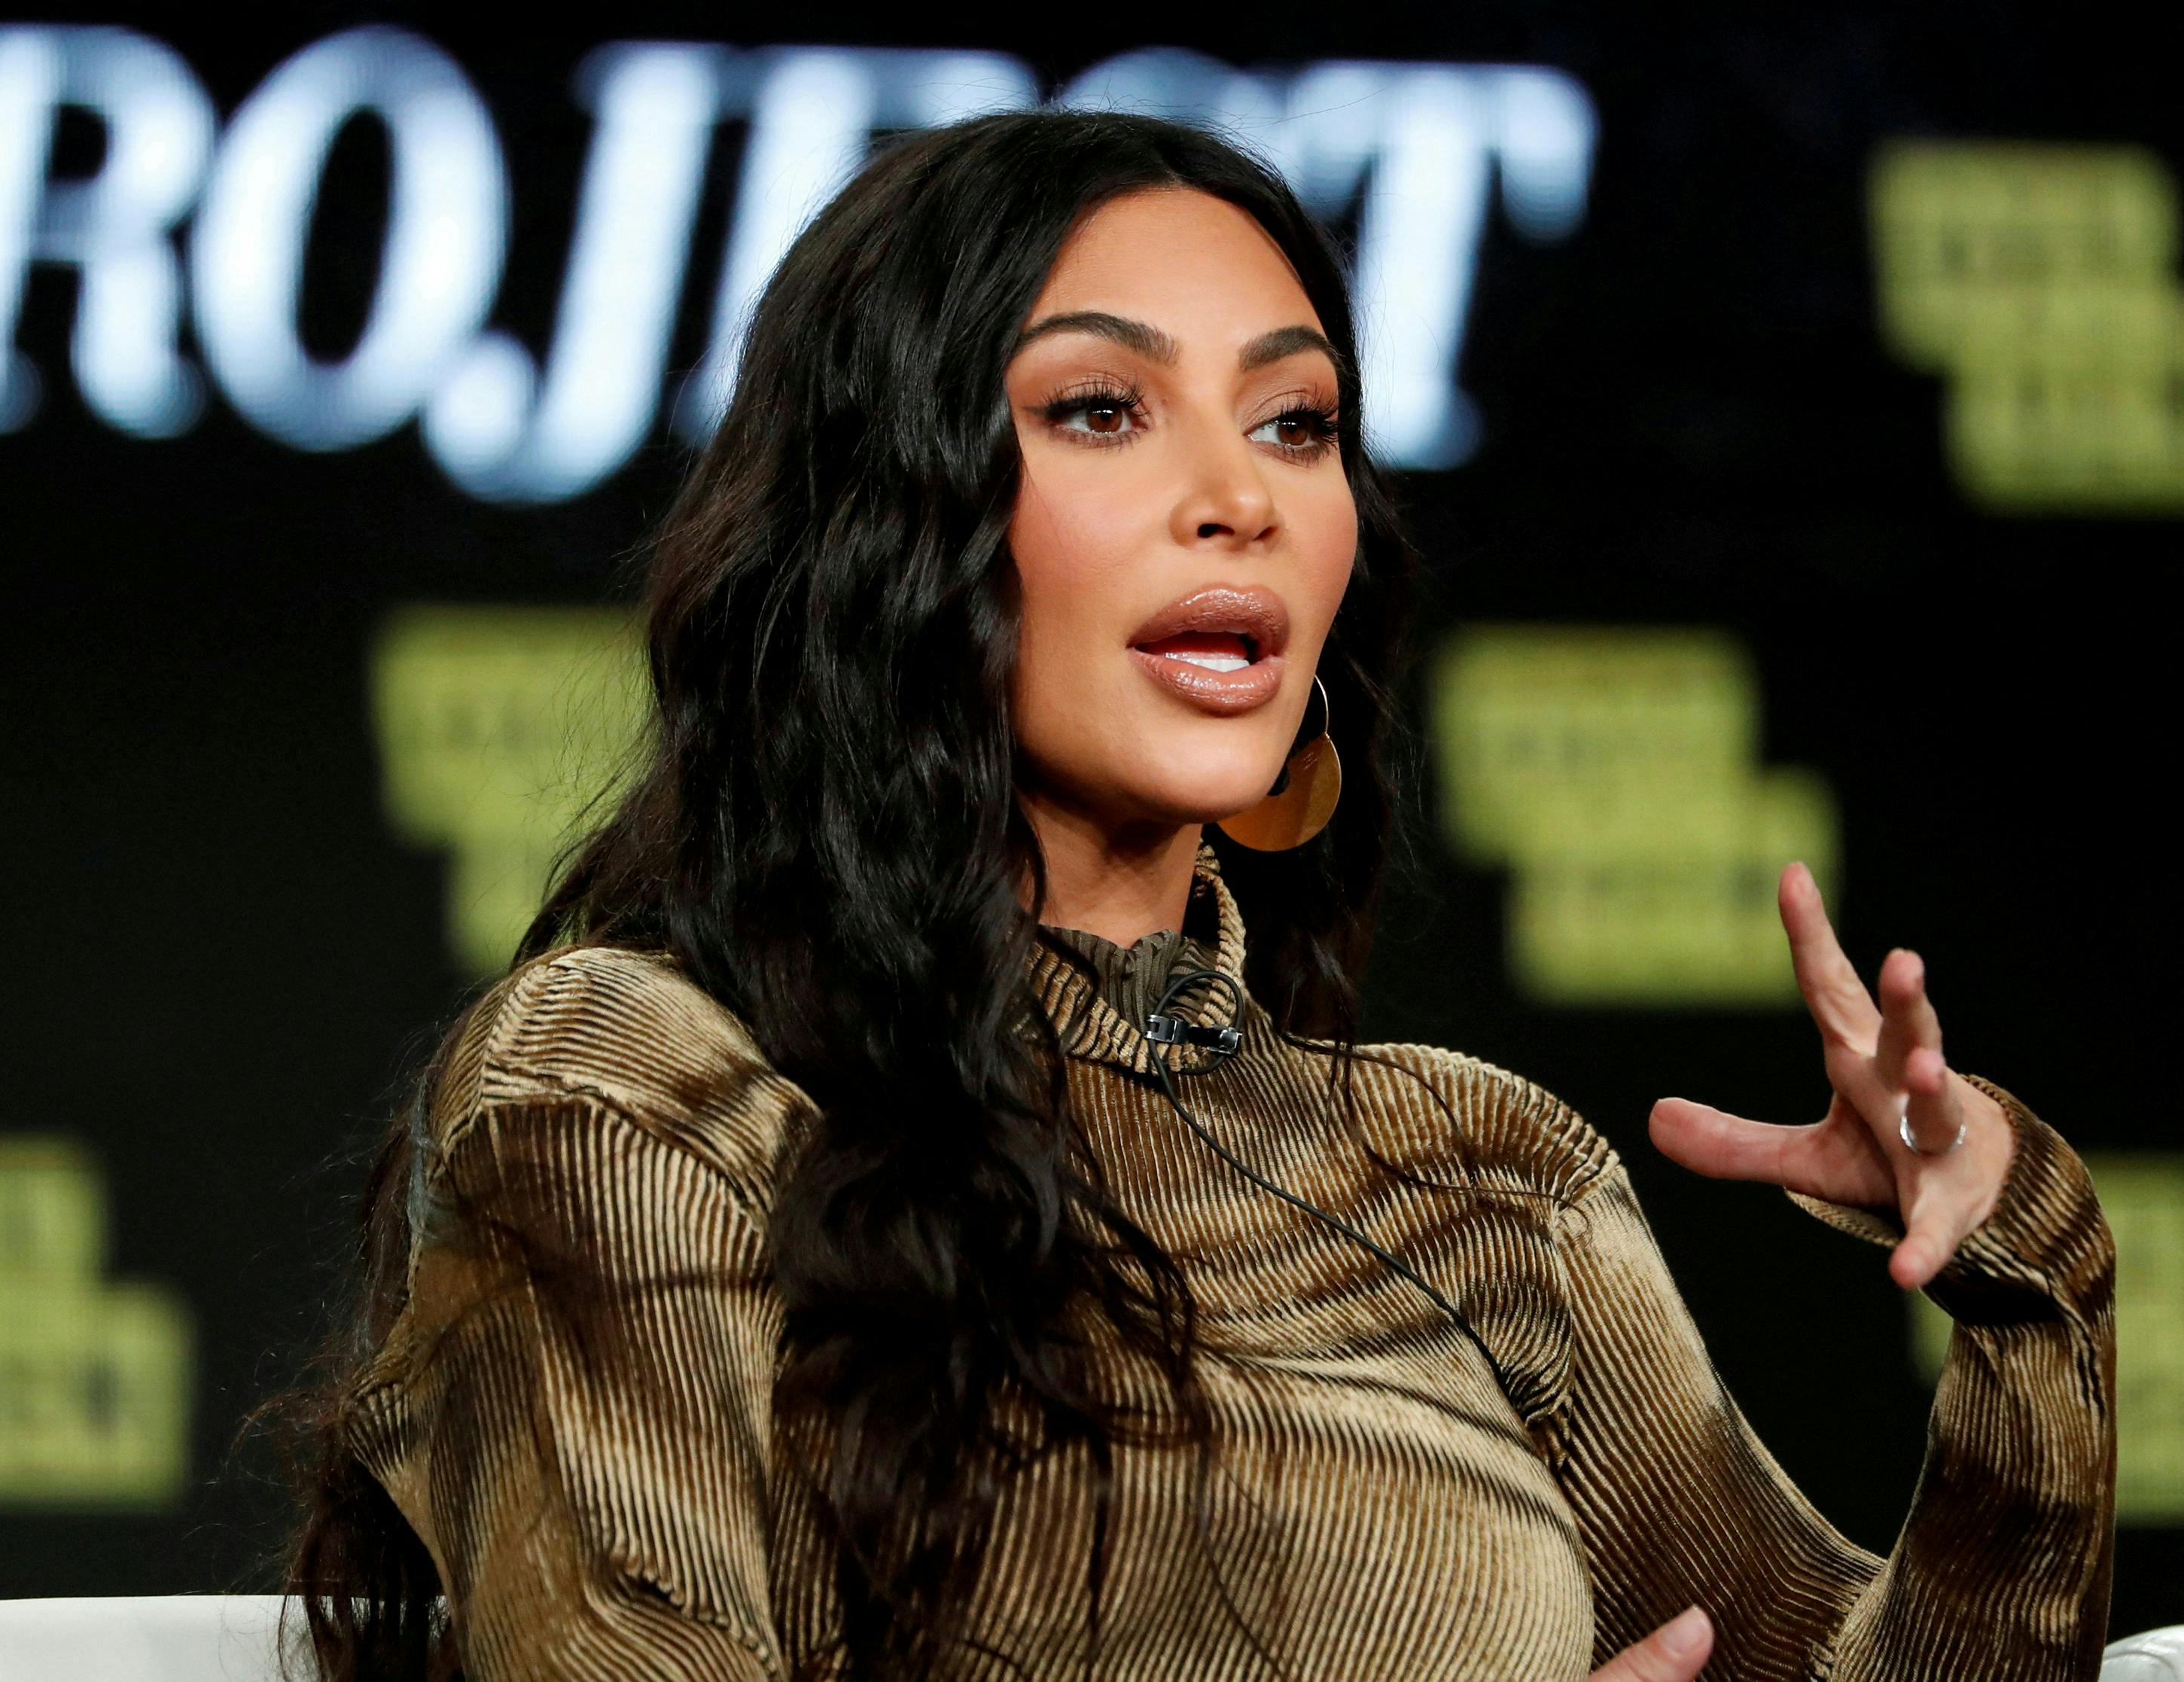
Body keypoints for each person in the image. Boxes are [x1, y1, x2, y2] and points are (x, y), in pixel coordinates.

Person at [273, 111, 2117, 1680]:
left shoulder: (1476, 1180)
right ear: (888, 522)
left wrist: (2026, 1277)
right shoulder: (631, 1098)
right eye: (1099, 409)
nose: (1235, 495)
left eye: (1297, 423)